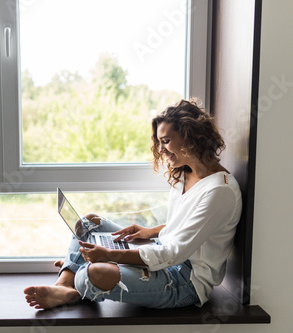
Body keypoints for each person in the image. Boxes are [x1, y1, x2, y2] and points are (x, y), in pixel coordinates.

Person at [24, 99, 242, 310]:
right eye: (159, 142)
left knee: (93, 274)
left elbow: (175, 253)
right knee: (89, 223)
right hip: (162, 252)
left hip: (184, 280)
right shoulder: (186, 173)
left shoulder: (219, 191)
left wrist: (109, 255)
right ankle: (64, 286)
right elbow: (187, 227)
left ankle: (76, 275)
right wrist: (150, 232)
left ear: (190, 136)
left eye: (165, 141)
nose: (161, 149)